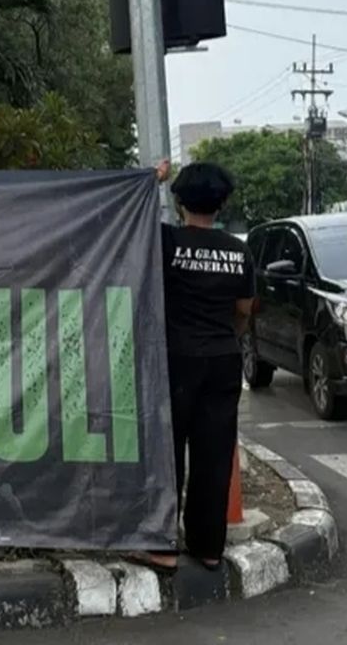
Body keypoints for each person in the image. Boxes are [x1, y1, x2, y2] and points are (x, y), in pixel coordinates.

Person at [139, 161, 256, 573]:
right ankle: (208, 547)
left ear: (180, 202)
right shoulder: (238, 251)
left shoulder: (166, 241)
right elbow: (244, 310)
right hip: (223, 360)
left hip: (176, 359)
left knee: (167, 452)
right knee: (214, 453)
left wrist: (150, 180)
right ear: (222, 204)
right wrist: (226, 337)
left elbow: (129, 222)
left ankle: (162, 546)